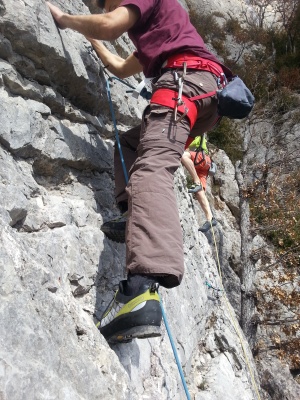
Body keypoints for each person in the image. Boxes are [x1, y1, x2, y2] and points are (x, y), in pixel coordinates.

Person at [46, 0, 232, 343]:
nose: (105, 4)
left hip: (182, 82)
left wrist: (66, 19)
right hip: (204, 92)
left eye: (105, 1)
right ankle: (131, 211)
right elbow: (120, 66)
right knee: (130, 144)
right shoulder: (161, 32)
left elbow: (112, 23)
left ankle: (142, 288)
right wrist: (93, 40)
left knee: (151, 168)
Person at [181, 136, 218, 233]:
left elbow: (189, 143)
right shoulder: (200, 133)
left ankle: (196, 182)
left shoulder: (197, 134)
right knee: (199, 192)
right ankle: (210, 219)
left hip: (201, 158)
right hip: (204, 164)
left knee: (184, 155)